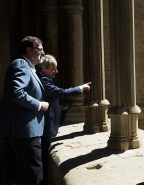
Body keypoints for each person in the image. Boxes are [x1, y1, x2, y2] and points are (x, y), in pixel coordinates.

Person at [0, 36, 49, 185]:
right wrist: (39, 104)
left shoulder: (29, 67)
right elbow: (17, 92)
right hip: (24, 131)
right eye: (40, 49)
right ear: (28, 50)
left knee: (23, 173)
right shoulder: (21, 64)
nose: (43, 53)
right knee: (33, 173)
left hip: (23, 130)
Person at [35, 54, 91, 185]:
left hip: (46, 123)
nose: (56, 72)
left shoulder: (44, 79)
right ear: (43, 69)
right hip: (45, 125)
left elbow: (49, 97)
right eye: (53, 69)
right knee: (43, 157)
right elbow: (61, 92)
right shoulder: (42, 80)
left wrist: (59, 106)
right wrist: (80, 88)